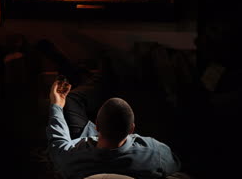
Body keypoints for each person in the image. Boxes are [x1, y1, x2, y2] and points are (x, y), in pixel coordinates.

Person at [46, 74, 182, 179]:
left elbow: (57, 140)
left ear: (96, 126)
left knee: (73, 98)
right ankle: (106, 74)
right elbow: (175, 164)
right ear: (131, 129)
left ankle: (102, 75)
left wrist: (56, 104)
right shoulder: (155, 154)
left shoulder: (69, 157)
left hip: (86, 145)